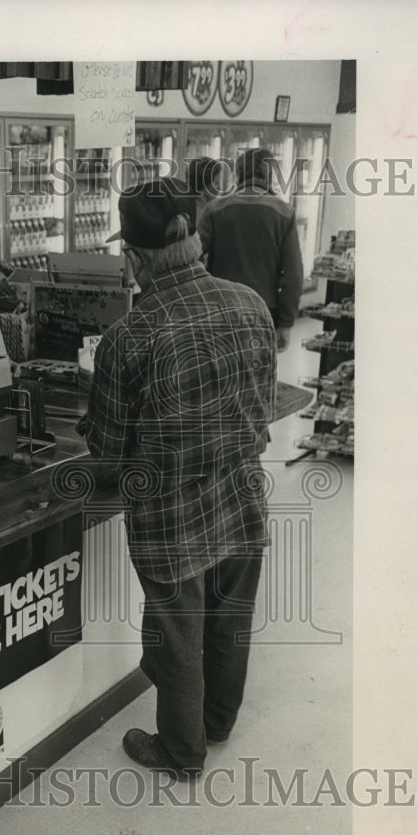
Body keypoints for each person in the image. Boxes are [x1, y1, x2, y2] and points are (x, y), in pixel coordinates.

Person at [81, 177, 276, 781]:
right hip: (242, 500)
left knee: (177, 637)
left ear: (137, 258)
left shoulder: (128, 337)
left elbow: (110, 453)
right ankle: (217, 725)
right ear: (190, 240)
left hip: (173, 520)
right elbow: (261, 407)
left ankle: (181, 754)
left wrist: (96, 416)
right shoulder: (251, 304)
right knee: (228, 621)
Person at [198, 147, 303, 352]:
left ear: (237, 174)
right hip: (263, 310)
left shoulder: (214, 210)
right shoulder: (284, 213)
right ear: (269, 175)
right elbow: (294, 276)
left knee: (220, 373)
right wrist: (286, 323)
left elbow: (191, 257)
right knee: (257, 375)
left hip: (221, 307)